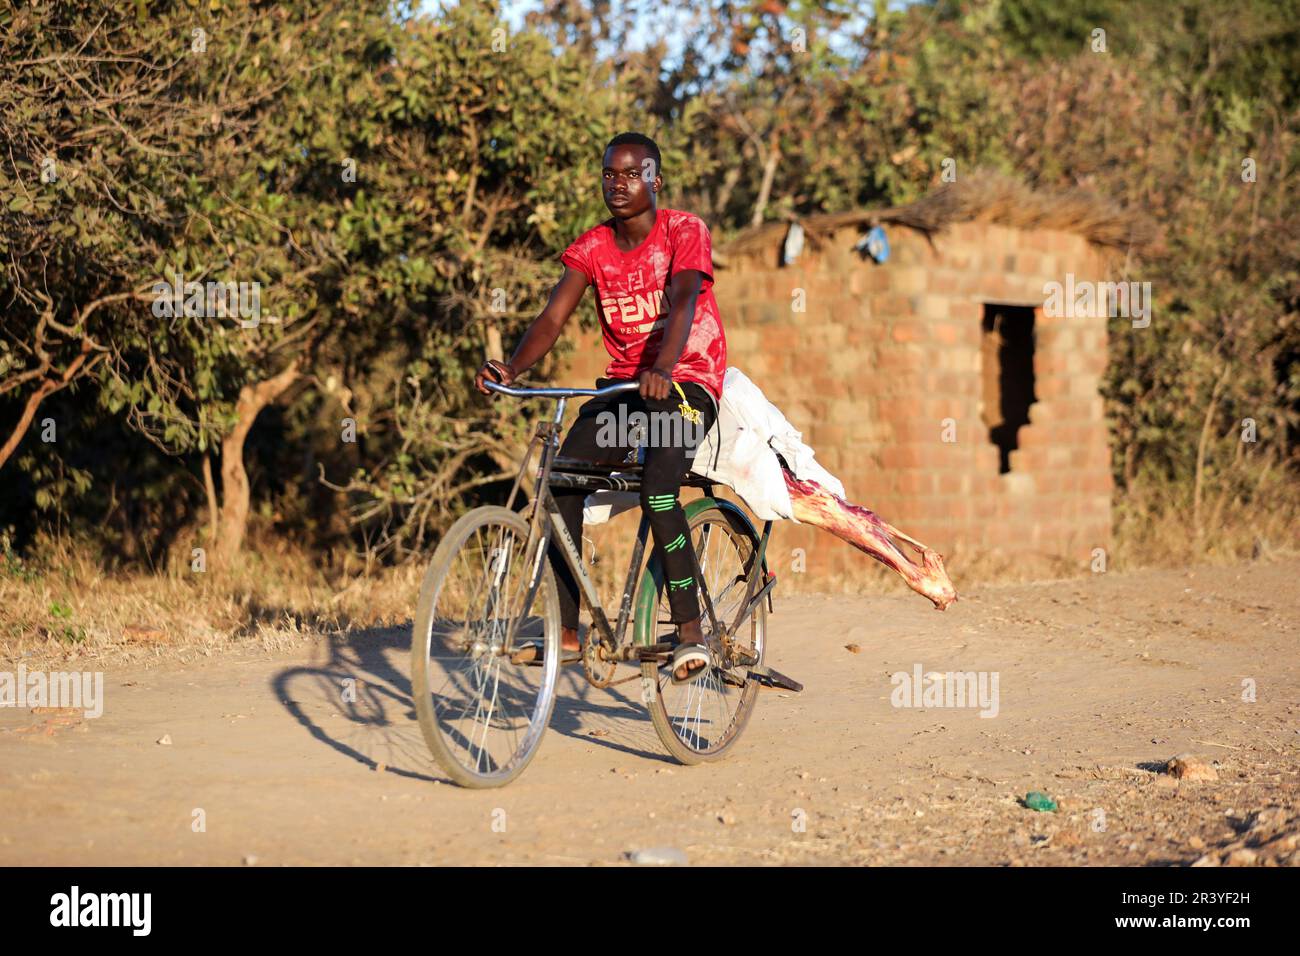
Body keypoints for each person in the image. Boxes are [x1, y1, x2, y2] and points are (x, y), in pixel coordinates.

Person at [474, 131, 727, 684]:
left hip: (685, 380)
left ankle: (690, 632)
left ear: (655, 178)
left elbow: (684, 298)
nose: (618, 184)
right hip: (624, 390)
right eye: (610, 174)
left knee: (659, 487)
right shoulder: (590, 249)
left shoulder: (684, 231)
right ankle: (566, 630)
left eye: (631, 173)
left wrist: (662, 365)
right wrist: (511, 369)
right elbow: (551, 318)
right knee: (560, 481)